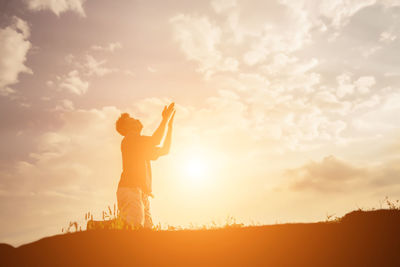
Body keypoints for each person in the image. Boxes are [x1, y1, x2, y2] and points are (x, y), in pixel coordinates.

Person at [115, 103, 176, 228]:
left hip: (141, 193)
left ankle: (103, 228)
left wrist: (169, 126)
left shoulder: (140, 145)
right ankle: (98, 227)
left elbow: (165, 149)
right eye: (132, 121)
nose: (136, 120)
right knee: (134, 228)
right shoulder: (130, 139)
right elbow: (156, 140)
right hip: (130, 189)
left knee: (147, 233)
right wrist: (165, 120)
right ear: (126, 128)